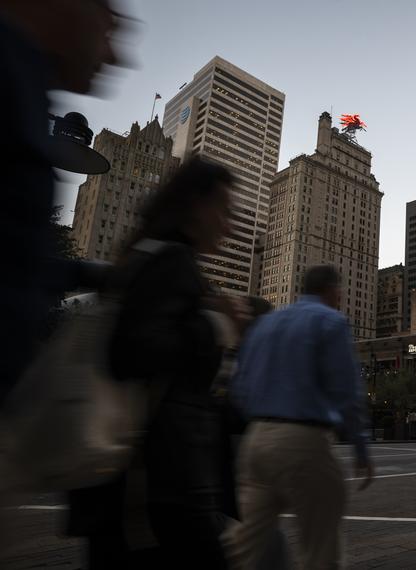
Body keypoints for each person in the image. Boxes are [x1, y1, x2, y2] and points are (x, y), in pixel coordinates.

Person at [67, 157, 249, 569]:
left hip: (146, 484)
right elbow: (133, 354)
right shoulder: (170, 262)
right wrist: (219, 324)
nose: (229, 225)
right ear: (196, 206)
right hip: (157, 485)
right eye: (225, 210)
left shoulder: (145, 255)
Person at [0, 0, 123, 407]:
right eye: (108, 30)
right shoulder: (10, 79)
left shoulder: (28, 92)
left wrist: (86, 272)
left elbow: (16, 260)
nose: (113, 55)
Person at [225, 265, 374, 569]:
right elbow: (346, 390)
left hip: (255, 440)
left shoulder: (265, 324)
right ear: (333, 290)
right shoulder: (330, 321)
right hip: (303, 443)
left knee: (242, 547)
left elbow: (239, 387)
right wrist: (360, 447)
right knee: (320, 551)